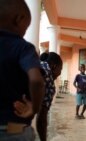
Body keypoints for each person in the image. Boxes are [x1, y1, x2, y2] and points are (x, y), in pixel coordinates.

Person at [0, 0, 45, 140]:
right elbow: (36, 80)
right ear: (19, 19)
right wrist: (35, 108)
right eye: (26, 27)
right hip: (13, 131)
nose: (25, 32)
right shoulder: (23, 47)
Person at [36, 52, 62, 141]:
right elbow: (42, 119)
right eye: (60, 69)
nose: (60, 73)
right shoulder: (49, 80)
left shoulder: (36, 63)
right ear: (54, 66)